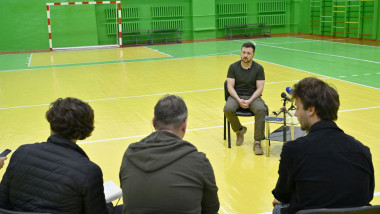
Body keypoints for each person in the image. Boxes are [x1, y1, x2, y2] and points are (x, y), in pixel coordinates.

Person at [272, 77, 374, 214]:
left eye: (297, 108)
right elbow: (367, 196)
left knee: (279, 206)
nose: (296, 113)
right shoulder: (362, 150)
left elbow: (282, 195)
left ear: (311, 110)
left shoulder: (293, 150)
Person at [0, 97, 113, 214]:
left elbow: (2, 203)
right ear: (86, 129)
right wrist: (109, 207)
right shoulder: (89, 171)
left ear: (51, 120)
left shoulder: (22, 152)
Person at [119, 95, 220, 214]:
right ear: (184, 124)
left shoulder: (129, 155)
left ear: (153, 122)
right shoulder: (199, 161)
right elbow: (211, 209)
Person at [224, 42, 266, 155]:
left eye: (248, 53)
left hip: (253, 97)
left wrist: (249, 100)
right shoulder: (233, 67)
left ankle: (257, 142)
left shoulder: (259, 68)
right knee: (228, 108)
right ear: (240, 53)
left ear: (253, 55)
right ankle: (239, 131)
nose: (245, 55)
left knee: (261, 110)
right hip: (236, 96)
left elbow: (260, 89)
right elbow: (230, 87)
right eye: (243, 52)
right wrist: (238, 100)